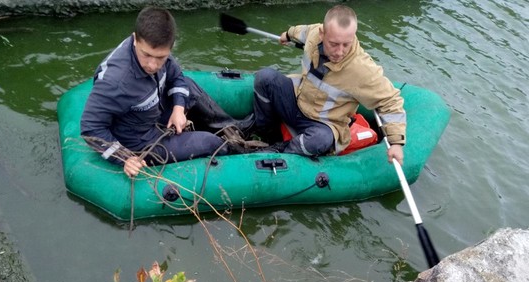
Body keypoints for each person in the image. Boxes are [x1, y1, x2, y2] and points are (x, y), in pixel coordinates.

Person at [81, 7, 254, 177]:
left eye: (160, 58)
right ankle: (242, 153)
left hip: (155, 110)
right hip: (142, 140)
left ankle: (234, 129)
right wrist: (125, 158)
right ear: (135, 39)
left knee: (188, 85)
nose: (152, 65)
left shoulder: (159, 48)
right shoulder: (115, 82)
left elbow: (177, 76)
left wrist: (179, 109)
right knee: (209, 142)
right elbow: (90, 128)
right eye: (146, 55)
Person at [252, 4, 406, 164]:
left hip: (324, 123)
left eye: (346, 44)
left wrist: (396, 143)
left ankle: (280, 152)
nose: (339, 52)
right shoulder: (314, 33)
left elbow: (390, 101)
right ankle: (264, 133)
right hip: (299, 101)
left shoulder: (362, 70)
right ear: (322, 34)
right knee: (265, 77)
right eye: (333, 44)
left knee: (320, 140)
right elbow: (302, 31)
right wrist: (288, 34)